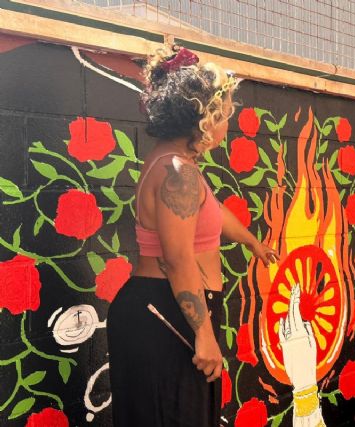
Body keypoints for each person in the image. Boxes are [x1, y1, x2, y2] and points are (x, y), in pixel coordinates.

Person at [107, 46, 278, 426]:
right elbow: (177, 258)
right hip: (166, 313)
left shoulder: (175, 164)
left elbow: (213, 216)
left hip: (164, 309)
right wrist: (204, 334)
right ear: (201, 118)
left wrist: (253, 243)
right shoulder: (176, 173)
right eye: (224, 116)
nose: (227, 126)